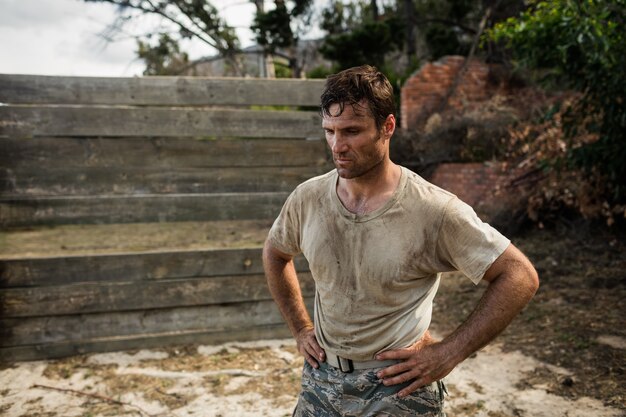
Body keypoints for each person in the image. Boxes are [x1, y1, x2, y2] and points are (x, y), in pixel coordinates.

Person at [263, 65, 539, 416]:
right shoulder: (307, 198)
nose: (338, 146)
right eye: (329, 131)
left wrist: (449, 352)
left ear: (387, 127)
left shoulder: (433, 209)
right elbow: (275, 253)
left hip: (398, 388)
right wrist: (301, 328)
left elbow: (519, 275)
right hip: (322, 382)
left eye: (352, 131)